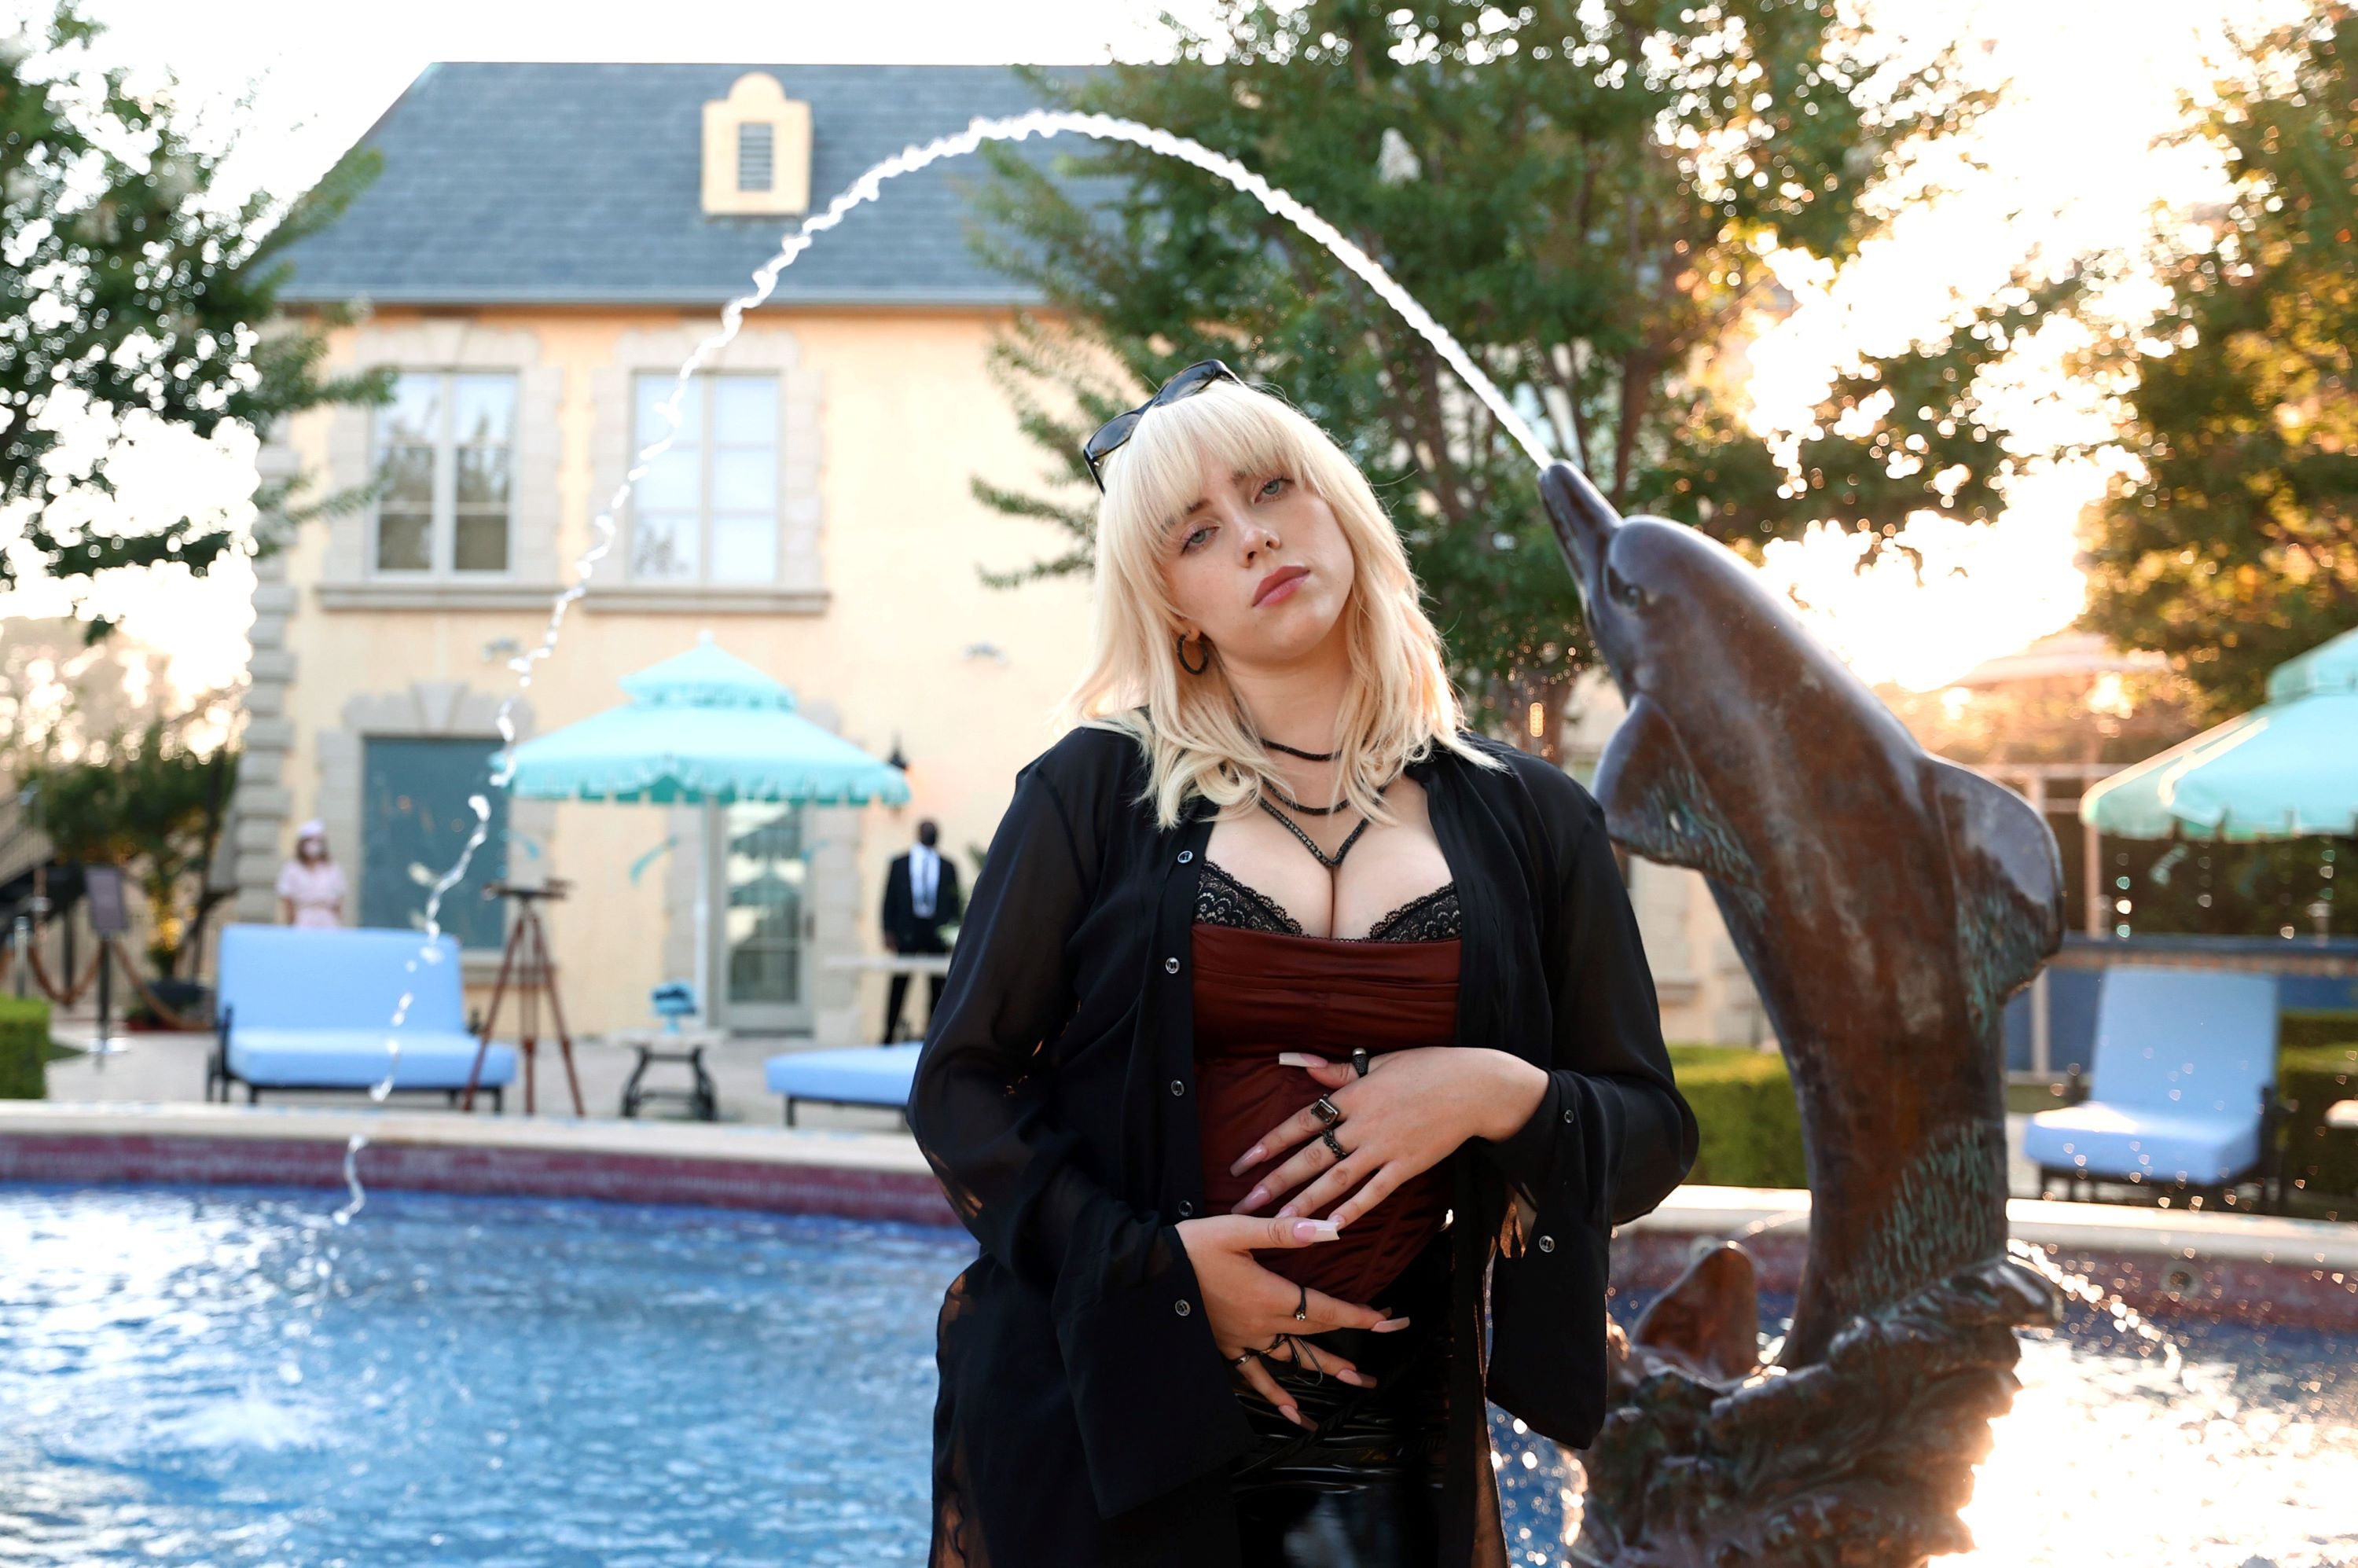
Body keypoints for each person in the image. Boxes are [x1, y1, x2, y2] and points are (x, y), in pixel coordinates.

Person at [907, 363, 1698, 1567]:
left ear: (1338, 504)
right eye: (1199, 532)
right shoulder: (1090, 794)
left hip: (1383, 1438)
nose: (1256, 534)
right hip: (1114, 1418)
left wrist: (1489, 1089)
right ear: (1172, 603)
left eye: (1276, 488)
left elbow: (1649, 1132)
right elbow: (960, 1089)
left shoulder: (1533, 819)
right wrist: (1161, 1272)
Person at [880, 819, 963, 1043]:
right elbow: (889, 899)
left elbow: (954, 902)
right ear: (918, 833)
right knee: (900, 982)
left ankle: (934, 1034)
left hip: (937, 931)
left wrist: (953, 934)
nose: (931, 834)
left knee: (937, 985)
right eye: (927, 831)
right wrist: (888, 930)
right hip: (907, 929)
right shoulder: (900, 863)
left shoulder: (947, 866)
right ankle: (889, 1032)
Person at [274, 819, 347, 931]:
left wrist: (337, 918)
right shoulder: (292, 868)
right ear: (302, 844)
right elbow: (287, 897)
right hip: (303, 916)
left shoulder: (332, 868)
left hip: (327, 917)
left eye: (318, 841)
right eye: (310, 840)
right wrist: (290, 922)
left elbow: (339, 897)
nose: (314, 845)